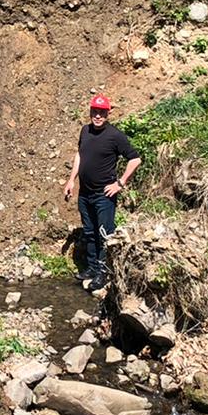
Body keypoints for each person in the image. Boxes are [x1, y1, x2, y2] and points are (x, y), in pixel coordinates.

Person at [63, 94, 141, 292]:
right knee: (89, 232)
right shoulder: (85, 130)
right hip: (85, 193)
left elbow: (135, 159)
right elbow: (80, 154)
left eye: (102, 112)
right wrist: (71, 180)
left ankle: (103, 272)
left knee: (104, 234)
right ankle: (91, 268)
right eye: (95, 112)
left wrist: (120, 183)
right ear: (90, 111)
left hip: (104, 195)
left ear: (108, 114)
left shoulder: (115, 136)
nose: (98, 116)